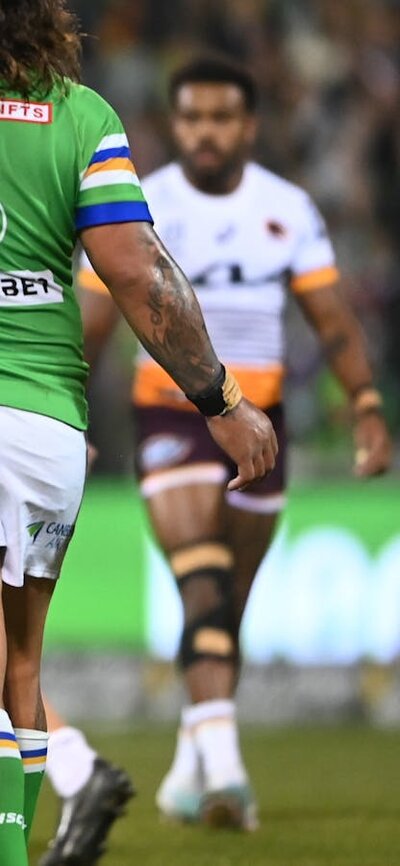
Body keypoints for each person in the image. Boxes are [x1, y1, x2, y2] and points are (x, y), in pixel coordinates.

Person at [41, 54, 392, 856]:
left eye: (221, 118)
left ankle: (192, 761)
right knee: (199, 571)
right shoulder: (142, 202)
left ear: (248, 126)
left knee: (223, 605)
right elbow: (95, 324)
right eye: (192, 118)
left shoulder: (288, 209)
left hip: (261, 420)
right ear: (175, 124)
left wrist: (366, 406)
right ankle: (228, 771)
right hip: (172, 413)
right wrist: (71, 414)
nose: (206, 132)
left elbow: (332, 322)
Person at [0, 10, 278, 865]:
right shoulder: (83, 119)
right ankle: (56, 799)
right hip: (44, 421)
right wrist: (222, 399)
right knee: (19, 661)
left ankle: (79, 778)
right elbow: (134, 269)